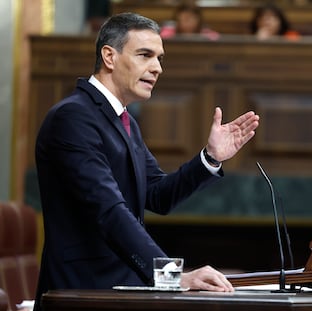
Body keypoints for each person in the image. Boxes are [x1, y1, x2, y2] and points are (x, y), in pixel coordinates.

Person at [33, 12, 259, 311]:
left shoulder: (123, 121)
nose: (157, 68)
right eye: (145, 55)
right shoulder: (73, 117)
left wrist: (210, 158)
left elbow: (157, 194)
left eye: (160, 58)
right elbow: (109, 209)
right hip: (83, 292)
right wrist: (170, 276)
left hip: (118, 290)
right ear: (109, 56)